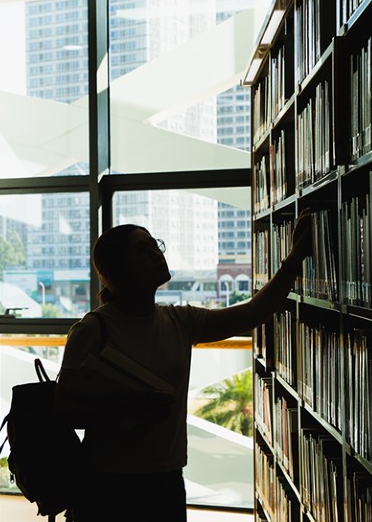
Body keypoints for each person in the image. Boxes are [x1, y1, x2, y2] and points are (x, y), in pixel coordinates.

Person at [55, 210, 312, 521]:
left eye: (154, 245)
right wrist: (130, 409)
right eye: (141, 250)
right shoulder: (93, 329)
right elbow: (64, 410)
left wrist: (295, 259)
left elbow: (252, 313)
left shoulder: (179, 320)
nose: (155, 254)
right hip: (106, 481)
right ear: (118, 271)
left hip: (165, 476)